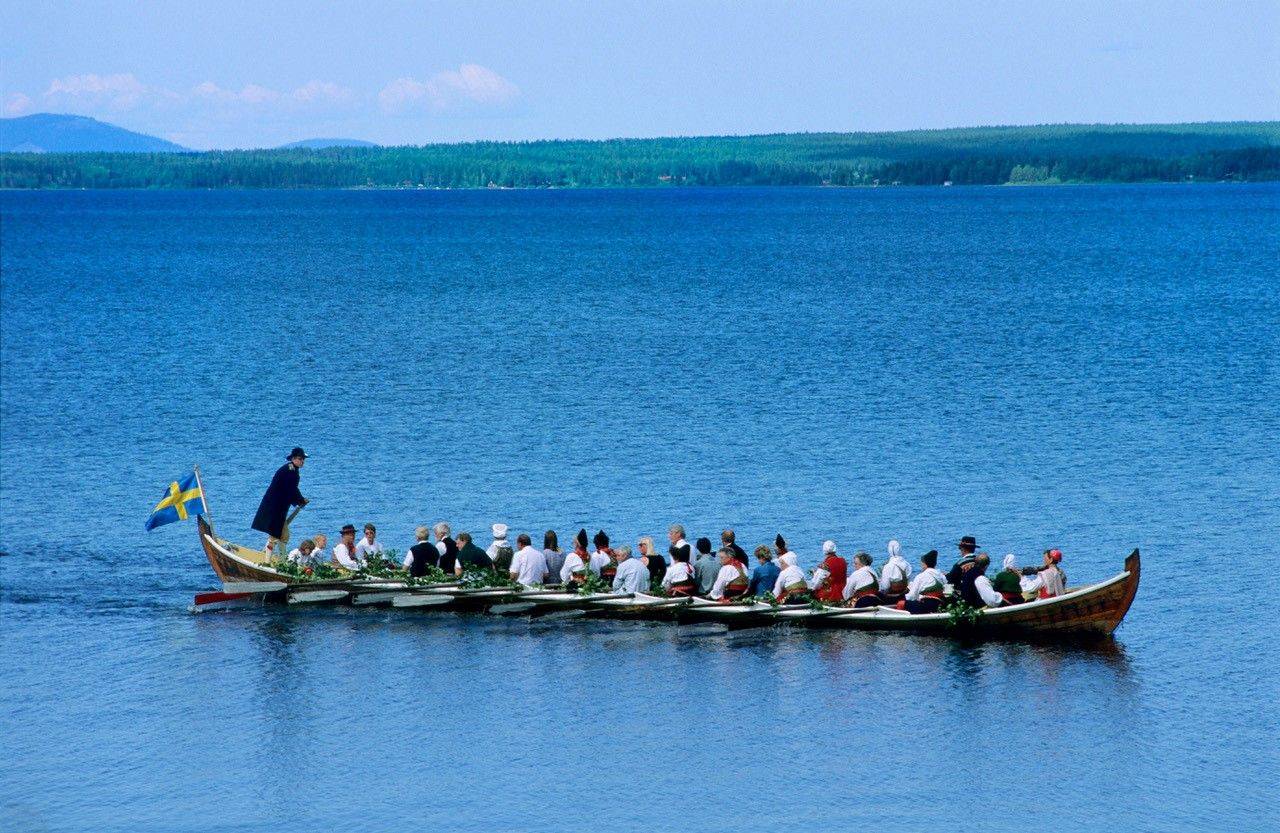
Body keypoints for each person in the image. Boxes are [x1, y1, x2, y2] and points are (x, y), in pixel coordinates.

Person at [251, 447, 309, 550]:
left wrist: (300, 500)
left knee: (279, 534)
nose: (302, 461)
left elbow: (290, 490)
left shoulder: (292, 469)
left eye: (303, 459)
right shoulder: (290, 471)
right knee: (279, 535)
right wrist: (301, 500)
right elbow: (291, 489)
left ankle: (268, 556)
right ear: (293, 458)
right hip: (275, 507)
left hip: (278, 506)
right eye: (300, 459)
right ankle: (270, 560)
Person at [878, 540, 913, 605]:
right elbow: (908, 581)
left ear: (889, 550)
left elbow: (885, 587)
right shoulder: (907, 565)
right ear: (900, 549)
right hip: (903, 596)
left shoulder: (888, 566)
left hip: (890, 598)